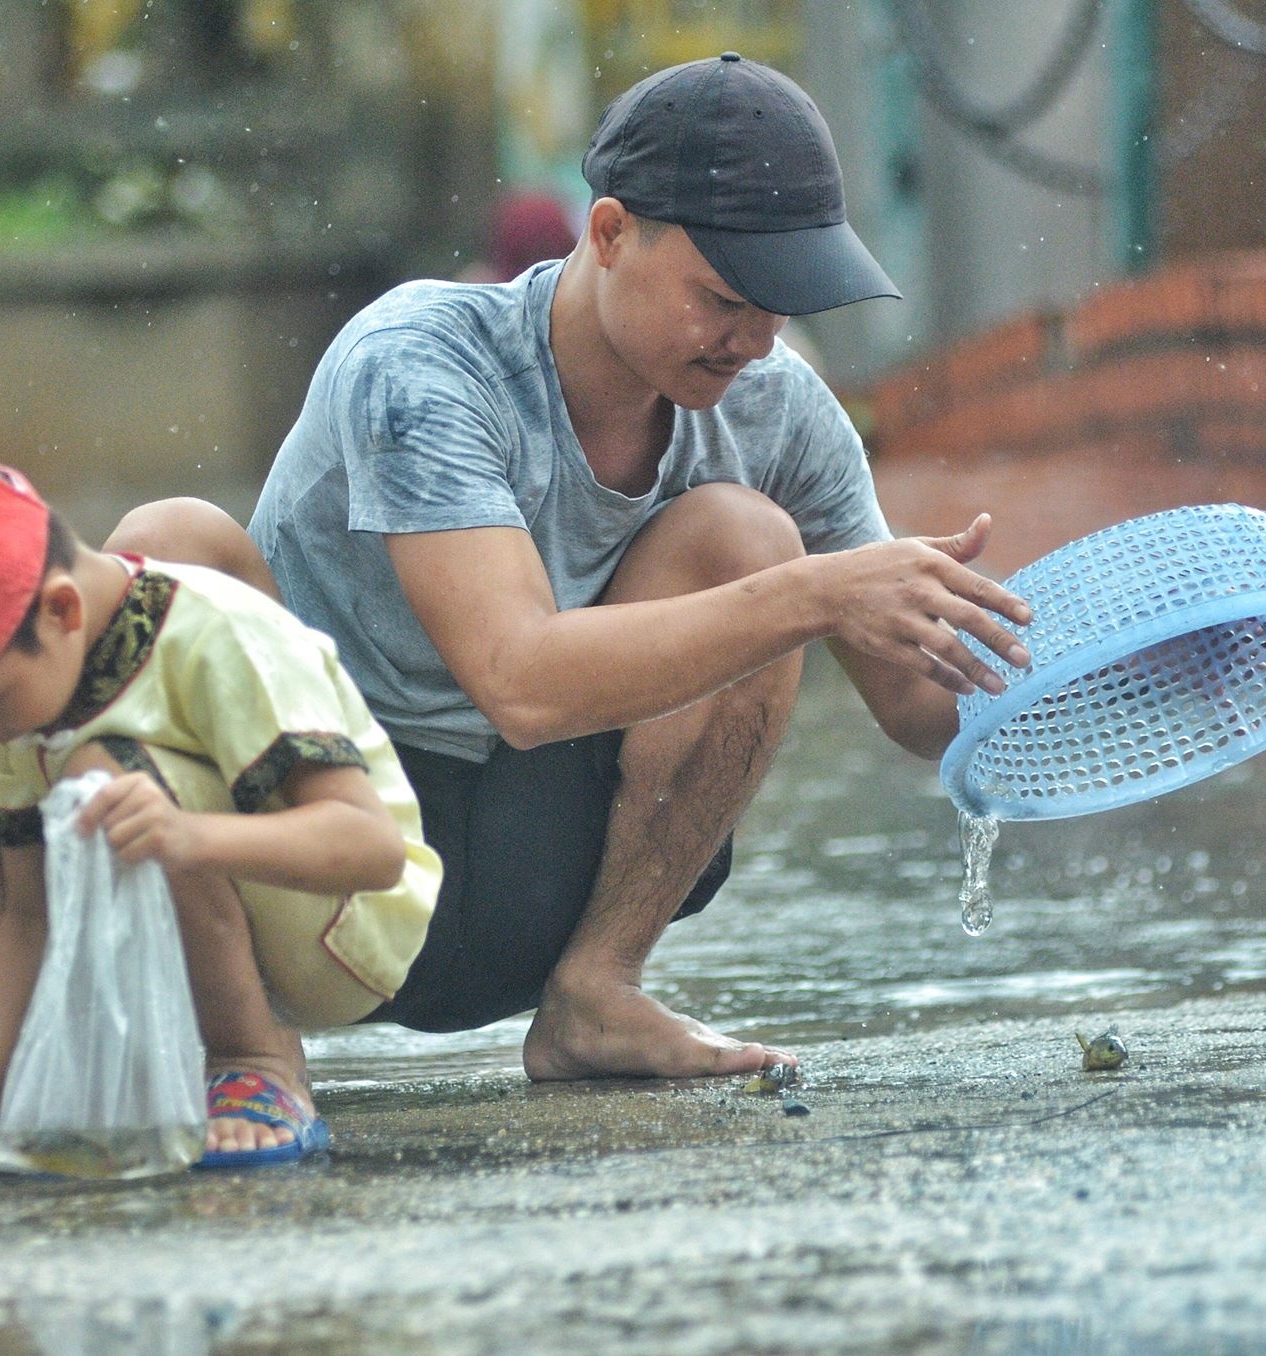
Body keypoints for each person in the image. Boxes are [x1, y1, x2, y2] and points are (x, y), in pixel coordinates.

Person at [246, 54, 1034, 1082]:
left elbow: (923, 707)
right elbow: (518, 680)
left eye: (780, 306)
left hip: (545, 873)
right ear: (609, 234)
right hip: (332, 861)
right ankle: (240, 1045)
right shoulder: (420, 364)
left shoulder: (778, 409)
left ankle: (594, 995)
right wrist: (812, 593)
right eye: (722, 299)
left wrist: (1149, 676)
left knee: (745, 537)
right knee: (169, 544)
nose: (752, 341)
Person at [0, 454, 438, 1186]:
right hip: (204, 902)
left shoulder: (218, 632)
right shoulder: (20, 693)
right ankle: (67, 1065)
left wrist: (189, 838)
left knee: (102, 774)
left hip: (340, 928)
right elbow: (31, 917)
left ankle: (254, 1061)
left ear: (60, 611)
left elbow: (373, 850)